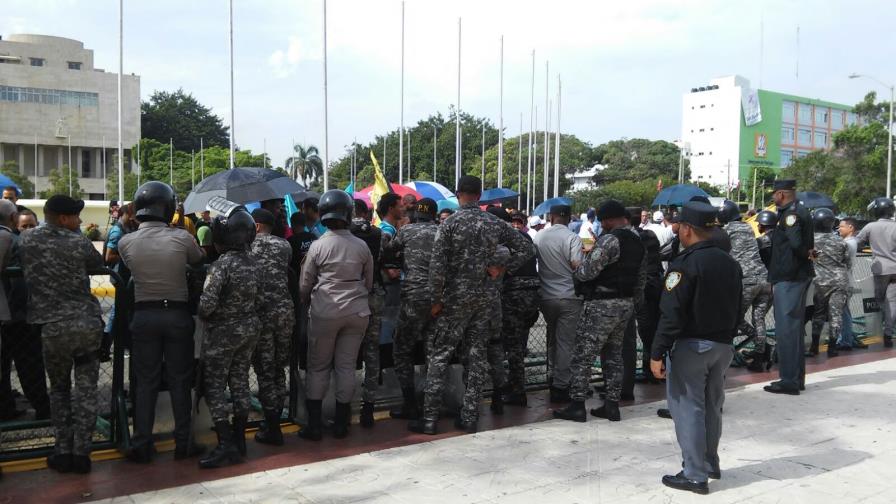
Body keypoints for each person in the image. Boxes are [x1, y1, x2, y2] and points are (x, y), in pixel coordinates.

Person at [409, 176, 533, 435]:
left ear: (458, 194)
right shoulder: (494, 223)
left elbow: (437, 266)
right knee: (477, 356)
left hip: (455, 299)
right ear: (479, 195)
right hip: (484, 298)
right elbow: (525, 247)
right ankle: (470, 415)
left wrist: (435, 300)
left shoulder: (450, 223)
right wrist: (500, 267)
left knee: (441, 354)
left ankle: (430, 418)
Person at [650, 201, 743, 495]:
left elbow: (672, 313)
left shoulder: (685, 264)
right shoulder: (730, 262)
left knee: (688, 408)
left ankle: (693, 474)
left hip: (692, 346)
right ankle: (709, 462)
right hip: (723, 346)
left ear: (687, 229)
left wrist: (657, 352)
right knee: (712, 406)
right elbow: (739, 307)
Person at [118, 182, 205, 464]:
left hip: (144, 315)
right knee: (181, 381)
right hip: (177, 314)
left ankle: (142, 442)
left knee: (146, 382)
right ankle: (184, 442)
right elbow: (198, 260)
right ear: (168, 209)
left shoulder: (125, 242)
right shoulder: (182, 238)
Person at [20, 195, 104, 474]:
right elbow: (97, 263)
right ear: (64, 219)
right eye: (76, 217)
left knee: (58, 391)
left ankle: (63, 450)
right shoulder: (78, 241)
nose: (80, 221)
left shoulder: (28, 240)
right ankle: (83, 453)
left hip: (52, 328)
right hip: (85, 324)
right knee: (86, 390)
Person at [553, 200, 645, 423]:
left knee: (582, 355)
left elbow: (586, 272)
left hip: (602, 304)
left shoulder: (611, 240)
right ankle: (612, 406)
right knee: (614, 355)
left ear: (610, 219)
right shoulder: (637, 240)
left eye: (604, 221)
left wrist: (578, 269)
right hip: (626, 304)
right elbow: (640, 279)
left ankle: (576, 406)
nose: (602, 225)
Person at [299, 190, 373, 441]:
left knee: (318, 367)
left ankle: (315, 426)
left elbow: (305, 285)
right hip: (357, 311)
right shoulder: (361, 246)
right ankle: (342, 424)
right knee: (346, 366)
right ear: (348, 214)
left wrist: (309, 304)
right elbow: (369, 282)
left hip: (325, 312)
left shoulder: (318, 246)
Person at [197, 200, 260, 468]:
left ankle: (225, 444)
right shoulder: (256, 262)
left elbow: (206, 306)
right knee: (240, 383)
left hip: (223, 332)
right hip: (249, 329)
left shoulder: (222, 265)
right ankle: (240, 439)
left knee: (214, 386)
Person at [386, 198, 439, 419]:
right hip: (438, 299)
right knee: (434, 353)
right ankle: (431, 404)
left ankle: (410, 403)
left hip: (413, 298)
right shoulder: (442, 232)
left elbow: (389, 254)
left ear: (416, 213)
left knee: (402, 350)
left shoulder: (406, 232)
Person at [1, 200, 51, 422]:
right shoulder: (13, 243)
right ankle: (39, 407)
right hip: (16, 317)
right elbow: (19, 285)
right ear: (14, 222)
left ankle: (15, 407)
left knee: (20, 365)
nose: (29, 230)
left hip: (14, 317)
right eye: (24, 226)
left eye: (33, 225)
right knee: (27, 364)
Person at [249, 208, 295, 446]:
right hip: (284, 312)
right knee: (278, 368)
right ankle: (275, 415)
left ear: (255, 226)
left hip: (263, 314)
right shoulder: (284, 246)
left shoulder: (248, 247)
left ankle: (272, 424)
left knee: (265, 371)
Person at [764, 180, 814, 395]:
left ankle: (789, 381)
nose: (772, 197)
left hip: (789, 277)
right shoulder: (799, 210)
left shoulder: (790, 215)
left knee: (786, 330)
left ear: (782, 194)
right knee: (793, 330)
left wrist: (805, 253)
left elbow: (795, 244)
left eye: (774, 194)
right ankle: (796, 378)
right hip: (798, 276)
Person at [533, 204, 584, 403]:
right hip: (569, 296)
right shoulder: (573, 238)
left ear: (551, 217)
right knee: (565, 343)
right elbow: (576, 265)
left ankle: (551, 375)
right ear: (569, 218)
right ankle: (561, 385)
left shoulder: (540, 237)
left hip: (546, 296)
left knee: (552, 338)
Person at [718, 200, 772, 370]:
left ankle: (758, 346)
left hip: (747, 280)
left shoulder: (727, 231)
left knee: (735, 319)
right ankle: (761, 352)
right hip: (764, 278)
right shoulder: (748, 228)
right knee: (759, 318)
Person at [351, 199, 389, 428]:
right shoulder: (379, 235)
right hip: (374, 294)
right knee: (372, 350)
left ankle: (342, 405)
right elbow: (385, 258)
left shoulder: (342, 234)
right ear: (366, 212)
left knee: (345, 350)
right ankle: (369, 406)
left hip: (348, 297)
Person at [499, 211, 540, 407]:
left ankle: (517, 390)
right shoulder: (523, 237)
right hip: (532, 293)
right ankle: (514, 384)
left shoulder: (502, 240)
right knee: (519, 343)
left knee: (512, 346)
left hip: (514, 293)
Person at [808, 207, 850, 358]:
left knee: (818, 314)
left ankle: (814, 346)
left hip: (821, 282)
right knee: (836, 315)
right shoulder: (840, 241)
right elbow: (846, 261)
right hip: (840, 281)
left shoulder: (811, 240)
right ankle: (832, 347)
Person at [856, 197, 896, 348]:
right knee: (892, 302)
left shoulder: (870, 226)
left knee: (880, 300)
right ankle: (888, 333)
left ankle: (880, 328)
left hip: (880, 269)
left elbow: (857, 243)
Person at [836, 217, 865, 350]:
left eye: (841, 226)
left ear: (850, 228)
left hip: (844, 281)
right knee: (843, 311)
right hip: (846, 280)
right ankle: (846, 338)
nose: (838, 229)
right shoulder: (849, 242)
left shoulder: (848, 243)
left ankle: (846, 341)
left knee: (843, 312)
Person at [287, 212, 317, 278]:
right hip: (315, 275)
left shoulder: (290, 241)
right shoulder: (313, 237)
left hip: (299, 277)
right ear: (305, 223)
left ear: (292, 223)